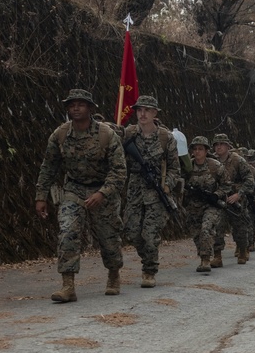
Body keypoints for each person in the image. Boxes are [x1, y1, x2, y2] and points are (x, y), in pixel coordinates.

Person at [35, 89, 126, 302]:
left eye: (81, 104)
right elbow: (49, 166)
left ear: (90, 109)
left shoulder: (106, 134)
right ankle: (68, 286)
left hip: (103, 191)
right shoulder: (60, 134)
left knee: (109, 240)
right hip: (73, 190)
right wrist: (41, 196)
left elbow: (119, 171)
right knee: (67, 233)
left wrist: (102, 193)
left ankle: (113, 274)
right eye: (72, 104)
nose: (75, 108)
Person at [122, 95, 180, 288]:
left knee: (150, 233)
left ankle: (149, 270)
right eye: (139, 110)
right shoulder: (129, 134)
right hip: (135, 189)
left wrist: (166, 185)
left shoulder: (166, 138)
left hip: (156, 192)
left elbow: (174, 168)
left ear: (155, 113)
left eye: (146, 110)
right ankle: (147, 257)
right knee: (131, 231)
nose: (142, 114)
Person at [183, 136, 231, 272]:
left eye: (200, 149)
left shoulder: (215, 166)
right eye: (195, 149)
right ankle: (204, 255)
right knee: (196, 233)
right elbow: (180, 182)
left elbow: (227, 185)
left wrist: (216, 195)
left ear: (206, 151)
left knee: (206, 228)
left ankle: (205, 260)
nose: (197, 152)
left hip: (211, 206)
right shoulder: (188, 167)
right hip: (193, 206)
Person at [212, 134, 255, 266]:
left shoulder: (238, 160)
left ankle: (243, 250)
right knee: (216, 227)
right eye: (216, 144)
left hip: (235, 200)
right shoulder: (212, 161)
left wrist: (239, 194)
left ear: (227, 146)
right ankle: (217, 255)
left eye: (221, 144)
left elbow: (249, 180)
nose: (218, 147)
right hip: (219, 199)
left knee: (240, 228)